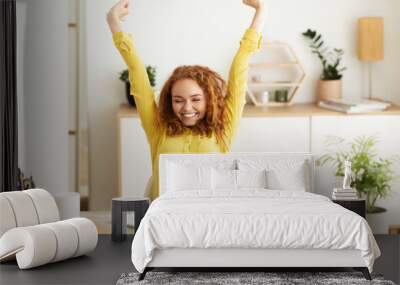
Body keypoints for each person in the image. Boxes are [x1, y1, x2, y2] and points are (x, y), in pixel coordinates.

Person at [107, 0, 266, 200]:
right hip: (165, 220)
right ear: (169, 101)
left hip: (208, 219)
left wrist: (260, 10)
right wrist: (113, 22)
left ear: (209, 100)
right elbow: (137, 72)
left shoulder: (223, 127)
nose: (187, 108)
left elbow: (241, 62)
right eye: (178, 100)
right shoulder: (158, 128)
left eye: (196, 99)